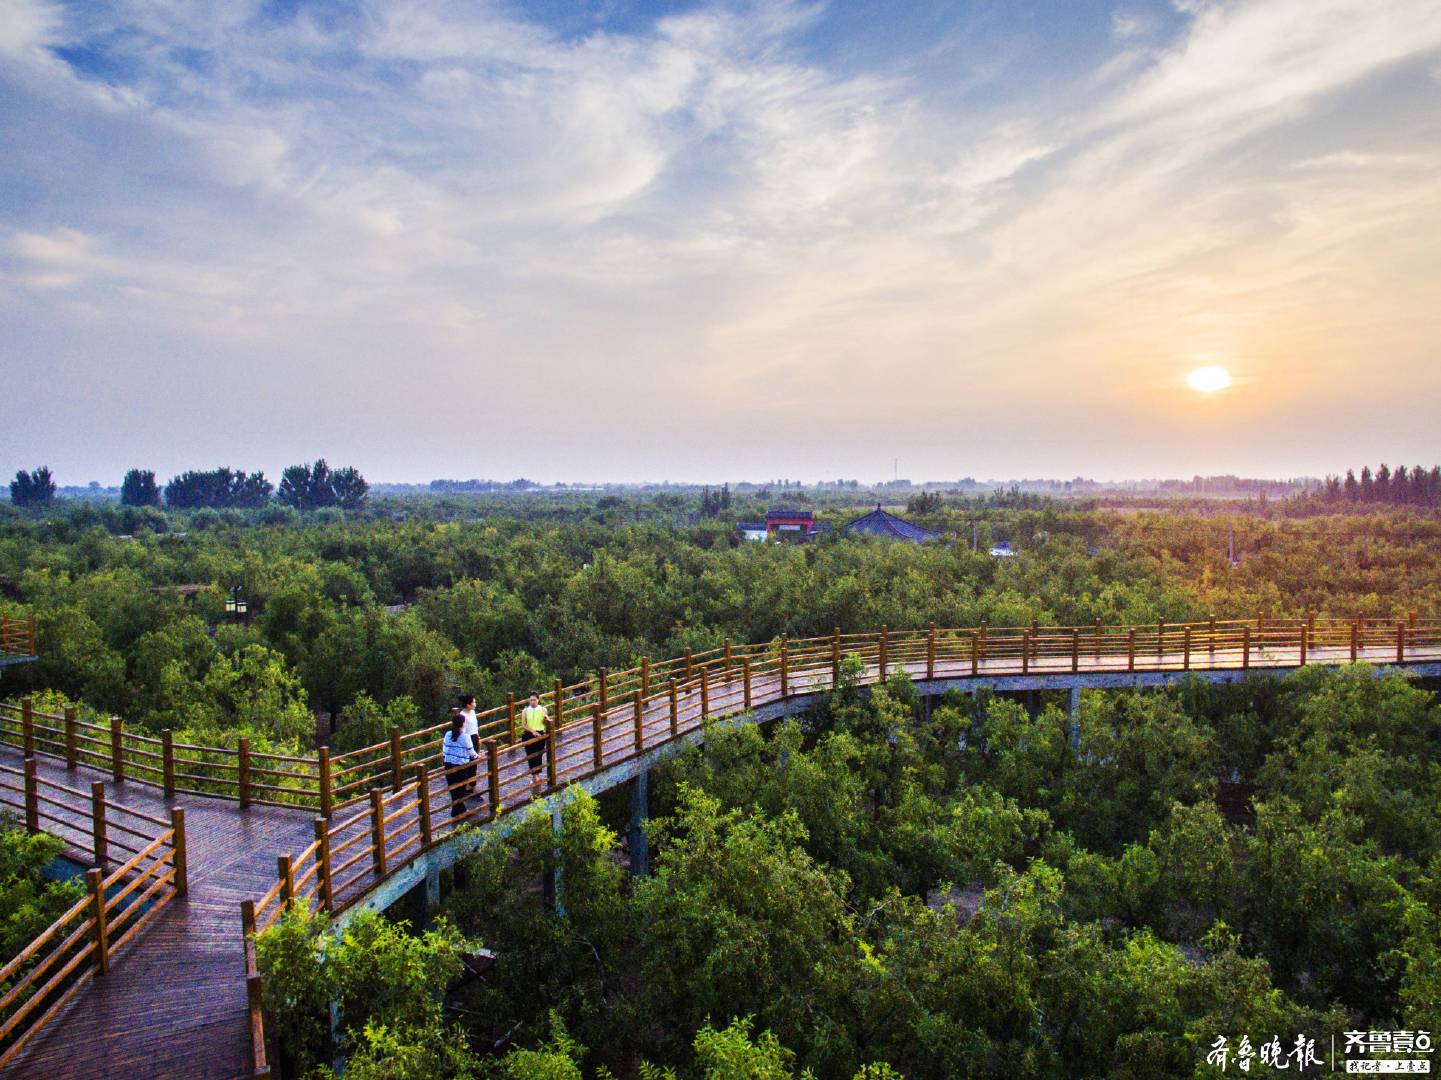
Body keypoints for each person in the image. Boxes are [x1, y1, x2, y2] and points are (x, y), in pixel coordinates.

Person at [442, 710, 479, 819]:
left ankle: (458, 810)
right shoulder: (465, 736)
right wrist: (478, 756)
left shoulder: (448, 734)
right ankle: (458, 811)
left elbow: (444, 750)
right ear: (462, 724)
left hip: (448, 765)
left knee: (454, 790)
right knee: (461, 790)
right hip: (461, 767)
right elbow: (471, 753)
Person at [519, 691, 550, 787]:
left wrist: (547, 719)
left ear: (538, 700)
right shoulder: (525, 711)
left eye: (534, 700)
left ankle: (536, 775)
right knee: (531, 755)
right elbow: (523, 725)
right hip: (529, 734)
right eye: (531, 700)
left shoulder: (543, 709)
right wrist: (532, 731)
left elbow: (546, 720)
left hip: (540, 734)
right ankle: (535, 775)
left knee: (539, 755)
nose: (532, 702)